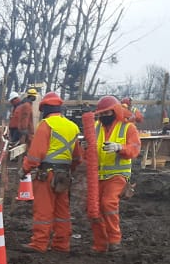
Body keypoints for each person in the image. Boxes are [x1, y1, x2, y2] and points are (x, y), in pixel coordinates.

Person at [17, 91, 82, 254]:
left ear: (44, 108)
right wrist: (69, 171)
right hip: (64, 176)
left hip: (46, 175)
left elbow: (35, 154)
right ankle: (62, 244)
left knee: (43, 210)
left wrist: (25, 169)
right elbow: (77, 157)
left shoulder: (46, 125)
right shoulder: (73, 127)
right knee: (62, 212)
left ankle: (39, 243)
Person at [90, 95, 141, 254]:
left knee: (108, 203)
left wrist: (119, 148)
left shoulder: (128, 127)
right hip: (97, 175)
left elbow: (134, 149)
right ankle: (100, 245)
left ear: (115, 111)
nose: (104, 117)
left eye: (107, 113)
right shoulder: (95, 127)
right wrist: (86, 147)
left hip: (117, 175)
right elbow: (90, 153)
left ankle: (114, 240)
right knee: (94, 209)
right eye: (102, 114)